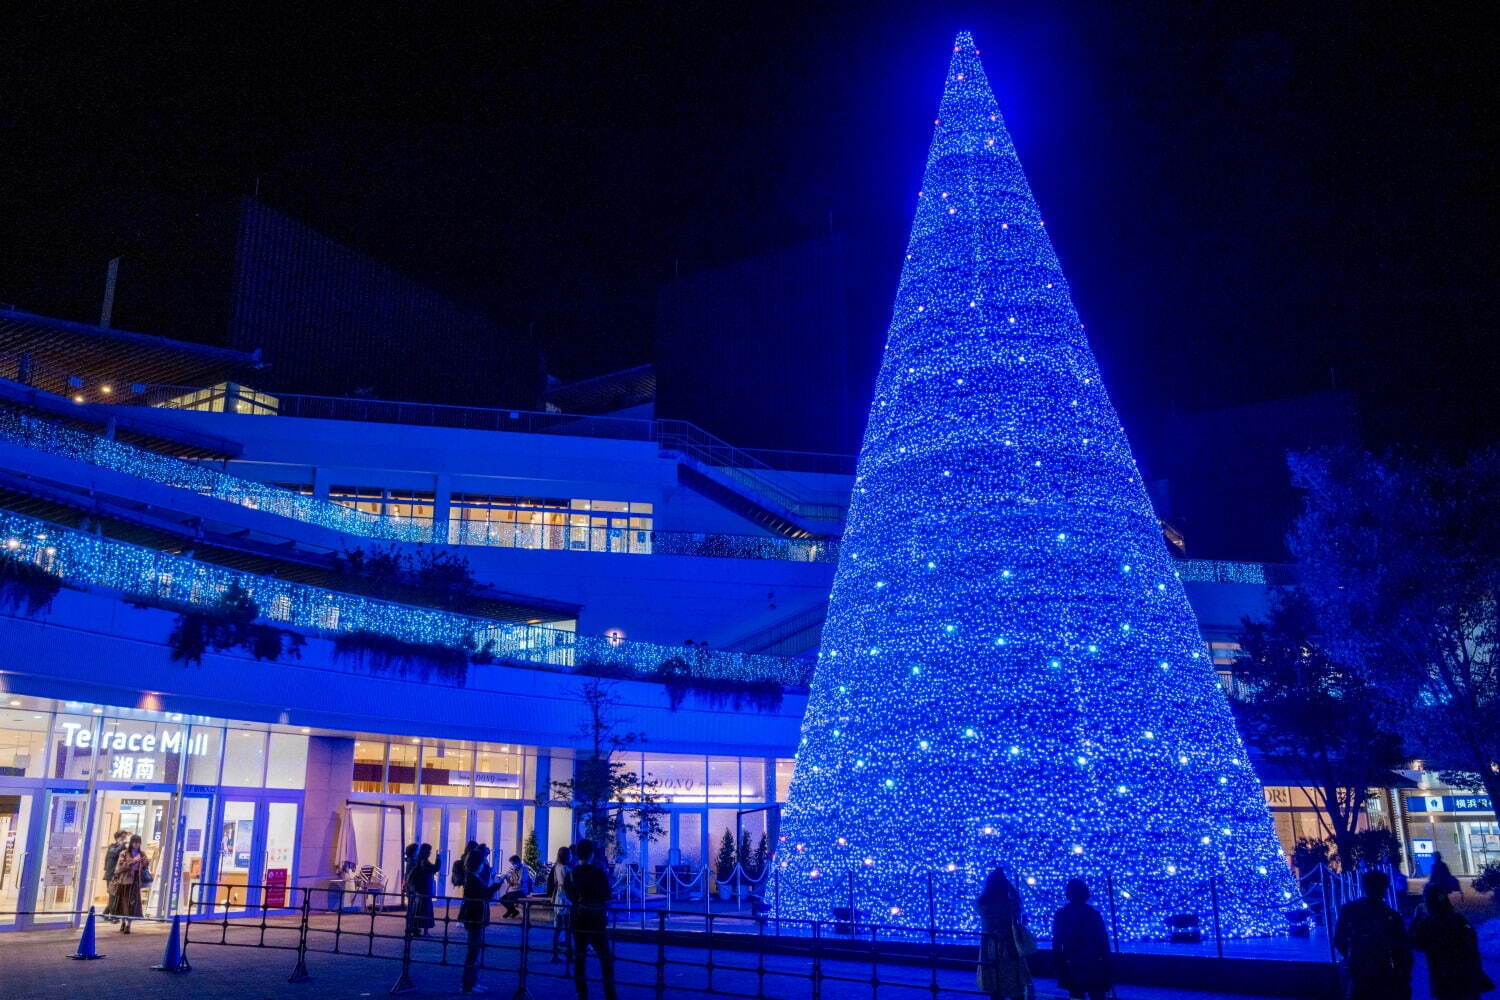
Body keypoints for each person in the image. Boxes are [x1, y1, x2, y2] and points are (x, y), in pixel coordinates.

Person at [1334, 869, 1412, 1000]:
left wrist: (1351, 956)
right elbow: (1402, 947)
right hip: (1383, 968)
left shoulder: (1349, 910)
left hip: (1361, 967)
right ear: (1384, 889)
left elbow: (1339, 938)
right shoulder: (1391, 915)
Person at [1409, 882, 1495, 1000]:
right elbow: (1472, 945)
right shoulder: (1458, 920)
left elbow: (1415, 941)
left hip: (1445, 979)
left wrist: (1416, 920)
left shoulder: (1430, 924)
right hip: (1466, 977)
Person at [566, 838, 617, 1000]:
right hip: (596, 920)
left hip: (579, 919)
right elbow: (607, 895)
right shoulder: (598, 873)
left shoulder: (572, 874)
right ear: (592, 853)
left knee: (580, 958)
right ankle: (609, 994)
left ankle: (581, 993)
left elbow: (570, 896)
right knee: (605, 958)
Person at [974, 867, 1031, 1000]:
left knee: (994, 981)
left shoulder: (982, 904)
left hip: (989, 944)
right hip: (1009, 942)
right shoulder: (1010, 904)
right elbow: (1018, 901)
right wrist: (1007, 884)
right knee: (1014, 981)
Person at [1051, 878, 1111, 1000]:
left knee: (1076, 994)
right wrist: (1107, 960)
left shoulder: (1061, 914)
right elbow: (1102, 938)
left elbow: (1057, 940)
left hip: (1071, 959)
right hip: (1092, 959)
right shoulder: (1092, 913)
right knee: (1097, 993)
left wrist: (1057, 959)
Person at [458, 843, 502, 995]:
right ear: (478, 863)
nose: (485, 864)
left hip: (475, 916)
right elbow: (484, 895)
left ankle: (472, 982)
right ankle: (468, 985)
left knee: (474, 950)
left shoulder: (472, 877)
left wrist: (496, 885)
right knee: (473, 950)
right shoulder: (473, 879)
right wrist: (497, 885)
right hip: (475, 917)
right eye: (483, 861)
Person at [108, 834, 149, 934]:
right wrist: (132, 861)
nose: (136, 844)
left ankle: (128, 925)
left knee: (132, 904)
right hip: (125, 882)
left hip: (135, 882)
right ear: (131, 843)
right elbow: (119, 867)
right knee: (124, 904)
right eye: (135, 842)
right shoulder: (124, 853)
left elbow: (145, 867)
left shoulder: (142, 853)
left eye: (138, 842)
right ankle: (123, 922)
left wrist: (144, 862)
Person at [405, 843, 440, 937]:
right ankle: (420, 930)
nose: (429, 853)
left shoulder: (418, 861)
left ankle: (415, 929)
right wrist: (439, 859)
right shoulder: (422, 862)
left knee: (419, 910)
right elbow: (435, 868)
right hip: (423, 890)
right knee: (424, 910)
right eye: (429, 851)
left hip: (421, 889)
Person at [548, 845, 574, 962]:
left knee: (557, 927)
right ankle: (569, 955)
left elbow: (556, 882)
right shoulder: (566, 869)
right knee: (568, 927)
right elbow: (568, 885)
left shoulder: (557, 866)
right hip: (565, 898)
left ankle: (555, 954)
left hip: (558, 896)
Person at [101, 829, 129, 922]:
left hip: (119, 875)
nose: (124, 839)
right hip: (111, 875)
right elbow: (113, 854)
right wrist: (122, 845)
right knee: (113, 895)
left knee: (115, 895)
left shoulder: (124, 848)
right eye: (123, 837)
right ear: (117, 838)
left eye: (125, 837)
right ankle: (113, 916)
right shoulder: (112, 847)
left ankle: (105, 913)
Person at [498, 854, 534, 919]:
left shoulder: (524, 869)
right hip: (514, 890)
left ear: (518, 862)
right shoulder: (513, 869)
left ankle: (510, 911)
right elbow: (511, 881)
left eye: (514, 863)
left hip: (521, 890)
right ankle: (513, 911)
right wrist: (506, 878)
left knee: (510, 898)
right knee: (502, 899)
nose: (513, 865)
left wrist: (513, 882)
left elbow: (521, 881)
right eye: (512, 864)